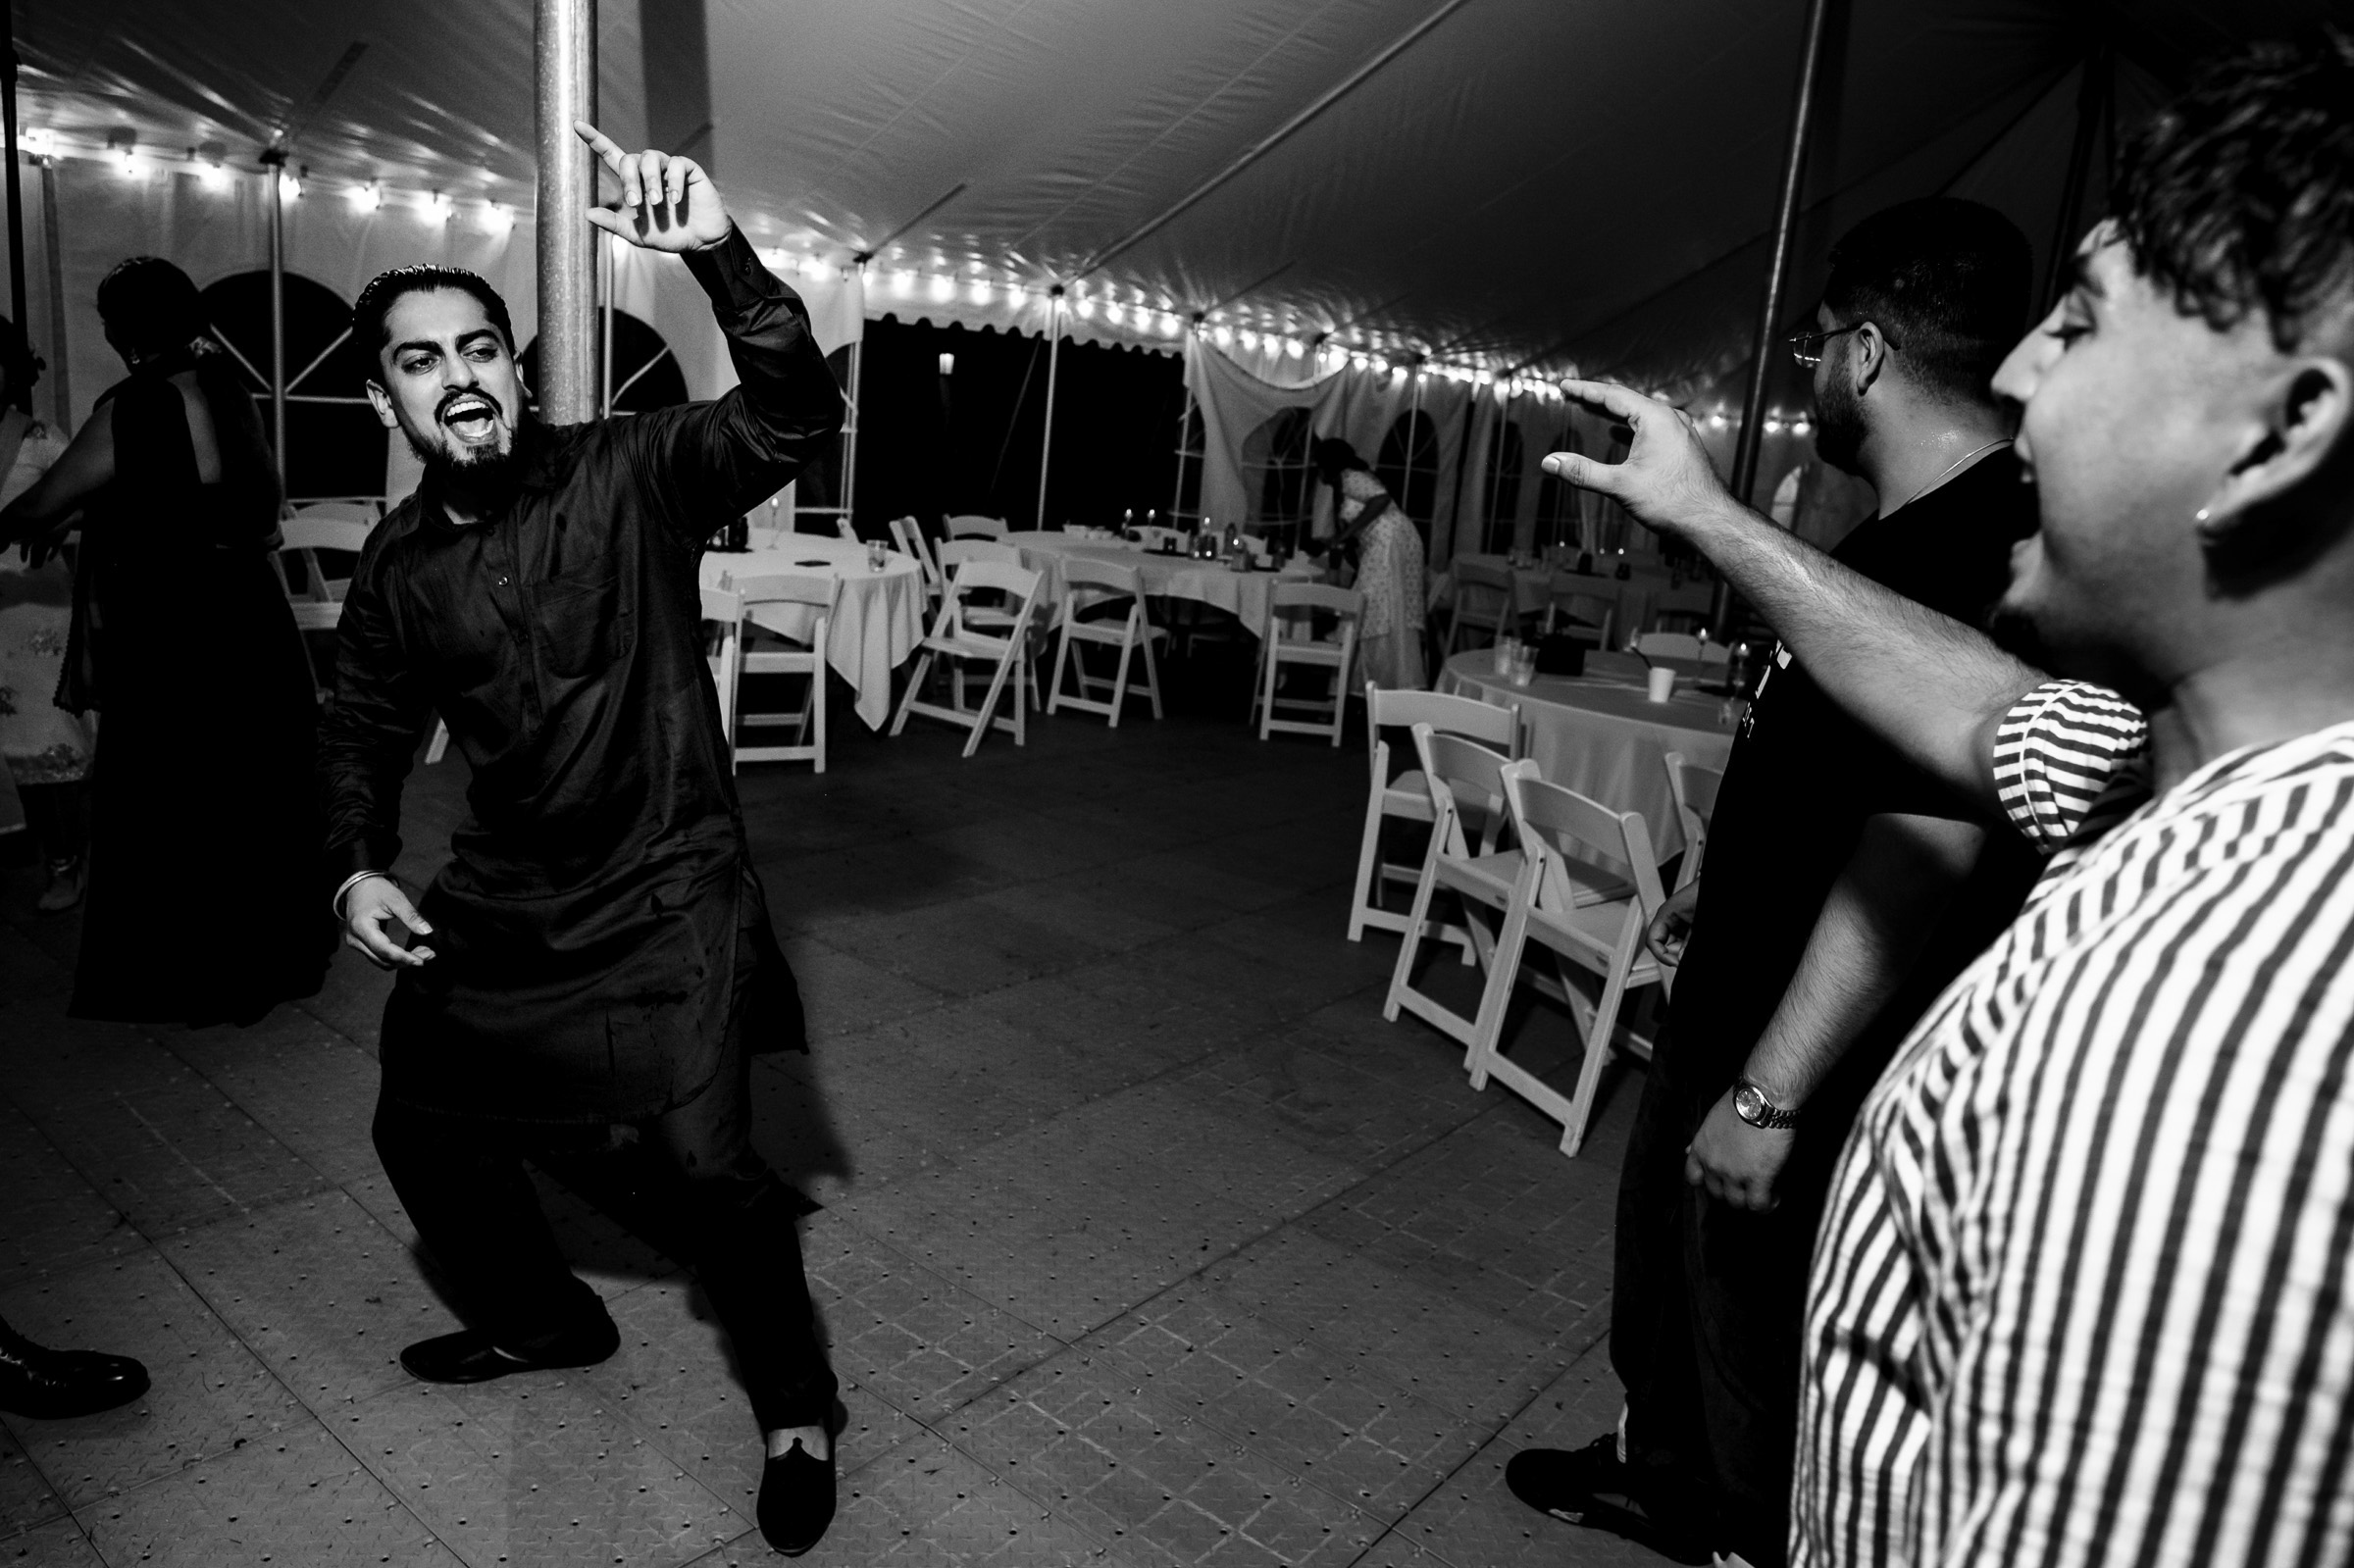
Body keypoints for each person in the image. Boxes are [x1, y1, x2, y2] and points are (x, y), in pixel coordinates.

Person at [1543, 31, 2354, 1567]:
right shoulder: (2159, 755)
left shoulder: (2222, 1047)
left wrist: (1771, 1093)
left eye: (2086, 320)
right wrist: (1709, 517)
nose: (2026, 364)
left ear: (2278, 433)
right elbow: (1979, 712)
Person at [319, 126, 844, 1556]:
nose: (460, 373)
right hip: (508, 892)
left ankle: (798, 1404)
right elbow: (362, 721)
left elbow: (793, 421)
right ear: (387, 396)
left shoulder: (632, 471)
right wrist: (358, 857)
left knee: (706, 1163)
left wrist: (719, 258)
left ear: (516, 361)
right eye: (421, 359)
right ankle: (547, 1319)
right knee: (418, 1119)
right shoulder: (399, 564)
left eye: (478, 344)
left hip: (671, 881)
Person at [1506, 199, 2046, 1568]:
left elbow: (1928, 834)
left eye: (1813, 345)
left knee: (1759, 1348)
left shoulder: (1991, 548)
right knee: (1666, 1294)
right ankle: (1661, 1471)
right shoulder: (1892, 532)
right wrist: (1708, 873)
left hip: (1808, 1040)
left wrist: (1772, 1090)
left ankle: (1745, 1527)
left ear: (1863, 353)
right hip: (1735, 980)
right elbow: (1818, 760)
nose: (1806, 373)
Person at [0, 258, 325, 1024]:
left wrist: (36, 519)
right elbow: (236, 512)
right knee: (249, 793)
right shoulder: (227, 392)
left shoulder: (135, 406)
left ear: (120, 329)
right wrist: (89, 519)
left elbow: (45, 498)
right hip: (249, 620)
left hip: (178, 632)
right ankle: (266, 957)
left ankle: (193, 971)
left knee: (179, 797)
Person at [0, 317, 86, 910]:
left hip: (37, 610)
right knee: (13, 745)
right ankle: (54, 855)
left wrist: (63, 520)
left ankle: (68, 862)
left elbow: (105, 502)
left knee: (52, 739)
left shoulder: (37, 437)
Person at [1312, 437, 1426, 687]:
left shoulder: (1351, 476)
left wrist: (1346, 533)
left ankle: (1389, 683)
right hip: (1387, 541)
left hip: (1391, 539)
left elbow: (1380, 499)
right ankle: (1366, 683)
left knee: (1378, 604)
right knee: (1378, 605)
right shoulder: (1343, 485)